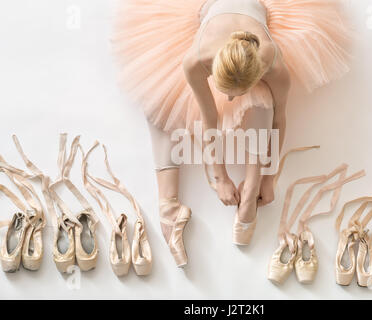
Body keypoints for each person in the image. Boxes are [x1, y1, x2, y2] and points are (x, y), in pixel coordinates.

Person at [113, 0, 351, 267]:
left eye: (233, 93)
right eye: (224, 90)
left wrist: (270, 177)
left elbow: (280, 119)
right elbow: (209, 118)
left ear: (259, 71)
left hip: (252, 25)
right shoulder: (196, 60)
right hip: (210, 15)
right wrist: (219, 177)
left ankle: (251, 189)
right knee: (158, 102)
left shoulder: (271, 61)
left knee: (264, 103)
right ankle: (168, 205)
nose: (227, 98)